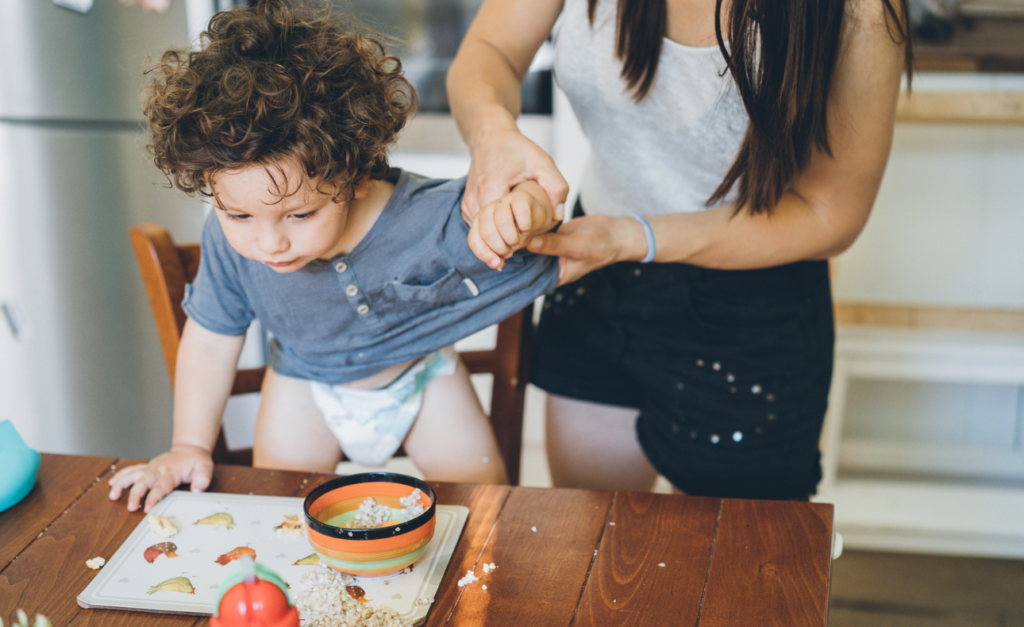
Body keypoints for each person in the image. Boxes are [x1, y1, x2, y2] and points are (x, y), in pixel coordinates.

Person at [447, 0, 912, 499]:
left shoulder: (860, 10)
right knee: (596, 544)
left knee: (738, 568)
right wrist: (493, 135)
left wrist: (631, 237)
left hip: (749, 305)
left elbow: (830, 214)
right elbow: (490, 49)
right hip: (597, 273)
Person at [109, 0, 560, 513]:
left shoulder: (427, 216)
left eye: (300, 215)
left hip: (421, 378)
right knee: (279, 512)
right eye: (240, 217)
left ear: (356, 176)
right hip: (303, 385)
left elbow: (525, 209)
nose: (269, 243)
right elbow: (212, 340)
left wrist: (526, 207)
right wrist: (189, 446)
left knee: (485, 510)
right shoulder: (227, 242)